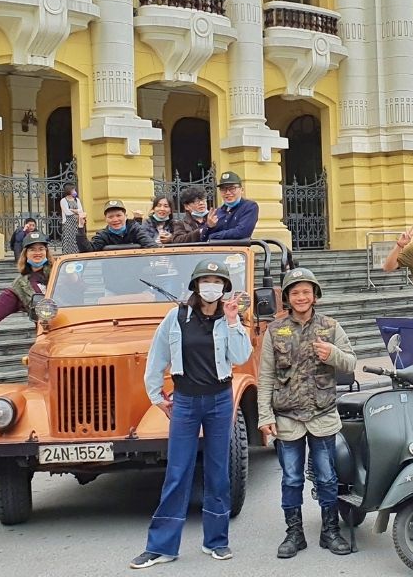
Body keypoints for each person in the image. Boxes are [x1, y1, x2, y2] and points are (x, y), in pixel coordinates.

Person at [132, 261, 252, 568]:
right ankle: (161, 546)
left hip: (220, 400)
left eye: (217, 281)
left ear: (224, 288)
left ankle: (217, 541)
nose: (210, 286)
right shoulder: (176, 317)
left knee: (218, 472)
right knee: (178, 472)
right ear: (195, 285)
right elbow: (157, 357)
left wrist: (235, 320)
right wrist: (156, 396)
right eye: (205, 280)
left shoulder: (229, 320)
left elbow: (240, 357)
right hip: (184, 401)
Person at [258, 267, 355, 559]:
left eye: (306, 291)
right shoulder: (275, 330)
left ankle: (330, 531)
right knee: (291, 478)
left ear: (314, 295)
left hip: (322, 415)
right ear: (287, 297)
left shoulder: (330, 326)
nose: (301, 297)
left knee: (327, 476)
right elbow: (265, 376)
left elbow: (350, 362)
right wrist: (264, 416)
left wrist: (332, 354)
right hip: (287, 417)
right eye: (295, 292)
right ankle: (294, 533)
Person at [202, 172, 260, 241]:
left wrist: (214, 236)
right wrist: (209, 226)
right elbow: (203, 238)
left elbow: (242, 232)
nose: (228, 193)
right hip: (216, 251)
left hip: (238, 251)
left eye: (232, 188)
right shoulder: (217, 212)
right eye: (223, 189)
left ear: (242, 190)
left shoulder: (249, 207)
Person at [88, 200, 158, 250]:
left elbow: (151, 246)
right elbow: (89, 249)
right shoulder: (103, 235)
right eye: (110, 217)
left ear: (126, 216)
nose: (115, 219)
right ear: (105, 219)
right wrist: (81, 226)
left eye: (118, 215)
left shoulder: (135, 229)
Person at [59, 184, 85, 255]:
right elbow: (67, 212)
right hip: (68, 223)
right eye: (73, 190)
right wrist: (76, 211)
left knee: (76, 239)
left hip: (76, 222)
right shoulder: (63, 200)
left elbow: (81, 210)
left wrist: (73, 210)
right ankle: (67, 254)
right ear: (69, 191)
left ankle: (77, 253)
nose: (74, 191)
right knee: (68, 239)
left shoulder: (77, 200)